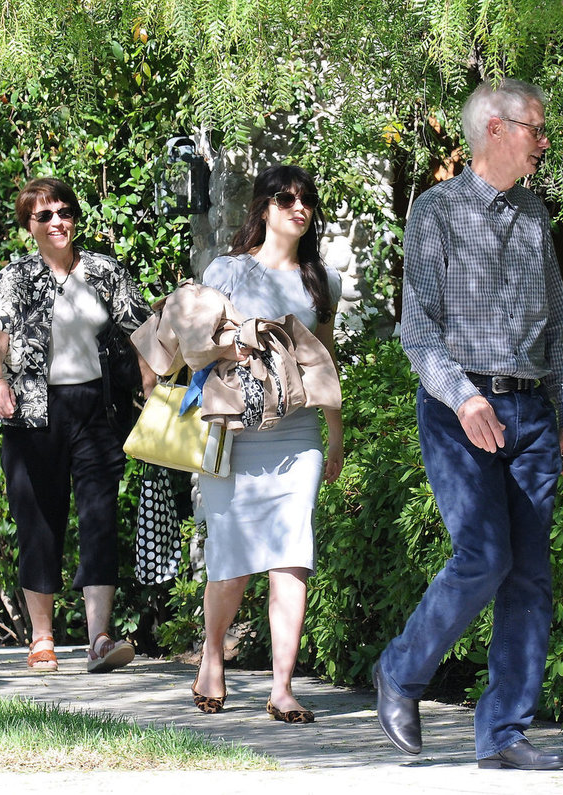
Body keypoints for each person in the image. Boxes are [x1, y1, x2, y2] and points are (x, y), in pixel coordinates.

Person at [373, 79, 563, 770]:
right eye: (536, 129)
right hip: (457, 410)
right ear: (495, 128)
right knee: (485, 555)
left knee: (528, 574)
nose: (543, 141)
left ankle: (503, 734)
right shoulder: (434, 213)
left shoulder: (535, 218)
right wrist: (463, 398)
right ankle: (401, 672)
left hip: (529, 414)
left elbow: (557, 328)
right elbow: (418, 331)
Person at [0, 177, 153, 673]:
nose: (58, 221)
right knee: (39, 520)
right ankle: (42, 638)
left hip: (97, 409)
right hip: (33, 411)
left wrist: (151, 387)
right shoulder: (15, 277)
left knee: (99, 515)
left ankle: (99, 638)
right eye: (45, 215)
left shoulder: (104, 272)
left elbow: (143, 334)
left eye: (65, 211)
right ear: (29, 226)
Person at [190, 164, 343, 723]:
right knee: (231, 564)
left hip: (297, 433)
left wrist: (335, 437)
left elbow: (324, 363)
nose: (298, 208)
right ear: (264, 207)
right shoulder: (227, 270)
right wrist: (239, 343)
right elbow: (195, 343)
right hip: (233, 430)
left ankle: (282, 688)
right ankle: (212, 656)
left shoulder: (318, 280)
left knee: (292, 557)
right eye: (286, 198)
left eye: (307, 200)